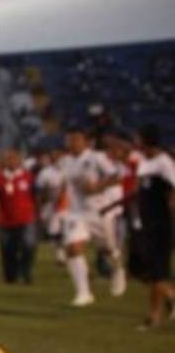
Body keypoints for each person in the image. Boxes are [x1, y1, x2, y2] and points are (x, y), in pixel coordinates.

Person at [58, 125, 125, 306]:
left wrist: (97, 187)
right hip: (77, 212)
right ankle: (84, 293)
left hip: (98, 211)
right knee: (73, 247)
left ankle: (118, 270)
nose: (71, 143)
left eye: (76, 139)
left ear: (85, 142)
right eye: (69, 139)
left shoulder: (97, 158)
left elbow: (117, 175)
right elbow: (67, 186)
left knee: (108, 249)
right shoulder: (65, 161)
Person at [126, 125, 174, 329]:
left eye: (138, 138)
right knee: (142, 270)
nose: (136, 141)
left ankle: (153, 318)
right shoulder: (147, 161)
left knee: (157, 274)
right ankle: (166, 301)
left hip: (161, 225)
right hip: (147, 224)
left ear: (146, 140)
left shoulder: (164, 163)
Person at [0, 147, 37, 284]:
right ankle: (10, 276)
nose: (11, 161)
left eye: (13, 158)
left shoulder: (27, 176)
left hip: (26, 218)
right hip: (5, 220)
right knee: (7, 249)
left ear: (19, 160)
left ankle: (26, 273)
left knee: (28, 246)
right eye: (8, 159)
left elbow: (35, 196)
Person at [34, 149, 68, 264]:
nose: (57, 158)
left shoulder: (69, 169)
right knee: (53, 231)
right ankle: (59, 253)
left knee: (61, 230)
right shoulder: (45, 172)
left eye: (59, 156)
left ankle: (61, 254)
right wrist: (40, 205)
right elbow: (39, 191)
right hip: (49, 205)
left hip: (68, 205)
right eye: (54, 156)